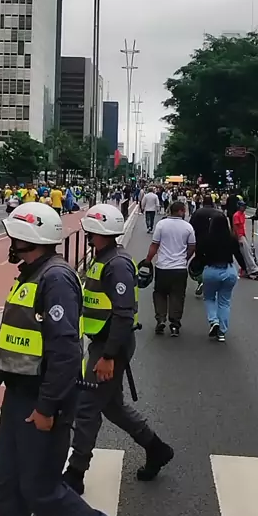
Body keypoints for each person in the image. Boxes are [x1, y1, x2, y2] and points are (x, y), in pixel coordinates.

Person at [0, 203, 132, 516]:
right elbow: (17, 332)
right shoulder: (31, 274)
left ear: (29, 238)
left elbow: (65, 353)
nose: (10, 241)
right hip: (19, 395)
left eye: (14, 235)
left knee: (40, 491)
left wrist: (47, 407)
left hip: (43, 399)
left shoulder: (56, 279)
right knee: (5, 487)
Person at [64, 203, 173, 496]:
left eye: (90, 230)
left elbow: (124, 314)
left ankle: (75, 473)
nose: (87, 235)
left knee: (87, 408)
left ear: (99, 231)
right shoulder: (103, 258)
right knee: (112, 407)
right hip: (105, 342)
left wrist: (109, 356)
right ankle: (156, 448)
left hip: (111, 345)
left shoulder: (117, 264)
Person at [145, 201, 196, 336]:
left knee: (159, 294)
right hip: (179, 268)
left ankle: (160, 319)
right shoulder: (188, 227)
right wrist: (185, 258)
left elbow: (155, 245)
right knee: (177, 296)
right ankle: (174, 324)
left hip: (162, 267)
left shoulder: (161, 225)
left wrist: (148, 260)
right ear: (180, 211)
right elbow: (192, 246)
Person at [200, 214, 246, 342]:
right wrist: (244, 267)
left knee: (209, 297)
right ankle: (222, 332)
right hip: (228, 270)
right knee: (224, 302)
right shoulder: (231, 238)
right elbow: (238, 255)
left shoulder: (207, 238)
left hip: (211, 270)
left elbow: (200, 255)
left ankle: (213, 320)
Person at [190, 195, 224, 296]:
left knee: (201, 262)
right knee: (213, 263)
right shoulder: (218, 214)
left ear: (203, 202)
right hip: (215, 243)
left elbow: (191, 227)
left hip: (200, 241)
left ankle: (201, 280)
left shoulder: (198, 213)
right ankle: (213, 281)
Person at [232, 200, 258, 280]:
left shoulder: (243, 215)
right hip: (239, 236)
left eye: (244, 206)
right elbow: (236, 227)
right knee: (247, 253)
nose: (244, 208)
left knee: (247, 252)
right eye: (242, 206)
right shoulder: (236, 215)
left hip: (243, 235)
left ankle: (247, 269)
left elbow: (242, 226)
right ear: (239, 207)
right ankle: (252, 269)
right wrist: (239, 238)